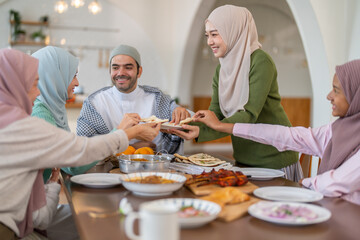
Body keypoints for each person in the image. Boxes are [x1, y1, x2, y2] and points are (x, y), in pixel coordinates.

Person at [0, 48, 160, 239]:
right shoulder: (24, 122)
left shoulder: (11, 117)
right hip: (10, 228)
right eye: (34, 84)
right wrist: (126, 133)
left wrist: (52, 184)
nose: (38, 91)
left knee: (98, 219)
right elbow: (78, 153)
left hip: (25, 216)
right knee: (102, 223)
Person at [191, 59, 360, 205]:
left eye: (336, 90)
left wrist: (306, 183)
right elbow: (286, 136)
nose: (329, 96)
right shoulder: (338, 129)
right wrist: (224, 127)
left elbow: (337, 182)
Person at [171, 5, 300, 181]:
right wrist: (192, 128)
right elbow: (216, 113)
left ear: (234, 31)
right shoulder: (221, 70)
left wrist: (205, 129)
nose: (209, 42)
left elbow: (248, 115)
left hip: (274, 159)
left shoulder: (260, 61)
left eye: (215, 34)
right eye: (207, 35)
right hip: (244, 157)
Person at [76, 44, 192, 154]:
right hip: (108, 172)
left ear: (139, 71)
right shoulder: (94, 102)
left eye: (128, 67)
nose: (121, 73)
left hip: (154, 169)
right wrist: (133, 147)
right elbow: (85, 147)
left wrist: (179, 110)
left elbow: (186, 119)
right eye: (115, 67)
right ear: (110, 71)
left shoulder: (156, 98)